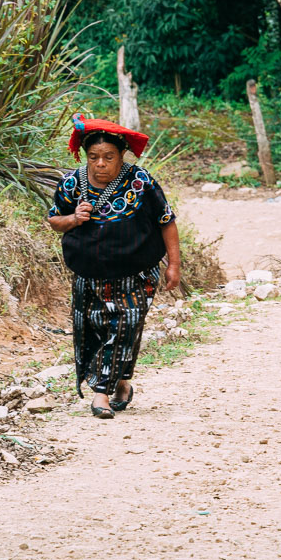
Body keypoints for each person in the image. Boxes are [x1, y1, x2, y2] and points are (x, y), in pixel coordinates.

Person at [47, 115, 180, 418]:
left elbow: (166, 221)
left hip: (136, 275)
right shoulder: (71, 183)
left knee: (124, 327)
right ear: (85, 157)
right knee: (95, 331)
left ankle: (100, 394)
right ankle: (120, 383)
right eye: (94, 157)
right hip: (88, 277)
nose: (101, 164)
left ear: (122, 156)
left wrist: (174, 265)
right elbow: (55, 220)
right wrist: (74, 219)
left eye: (109, 157)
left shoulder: (140, 182)